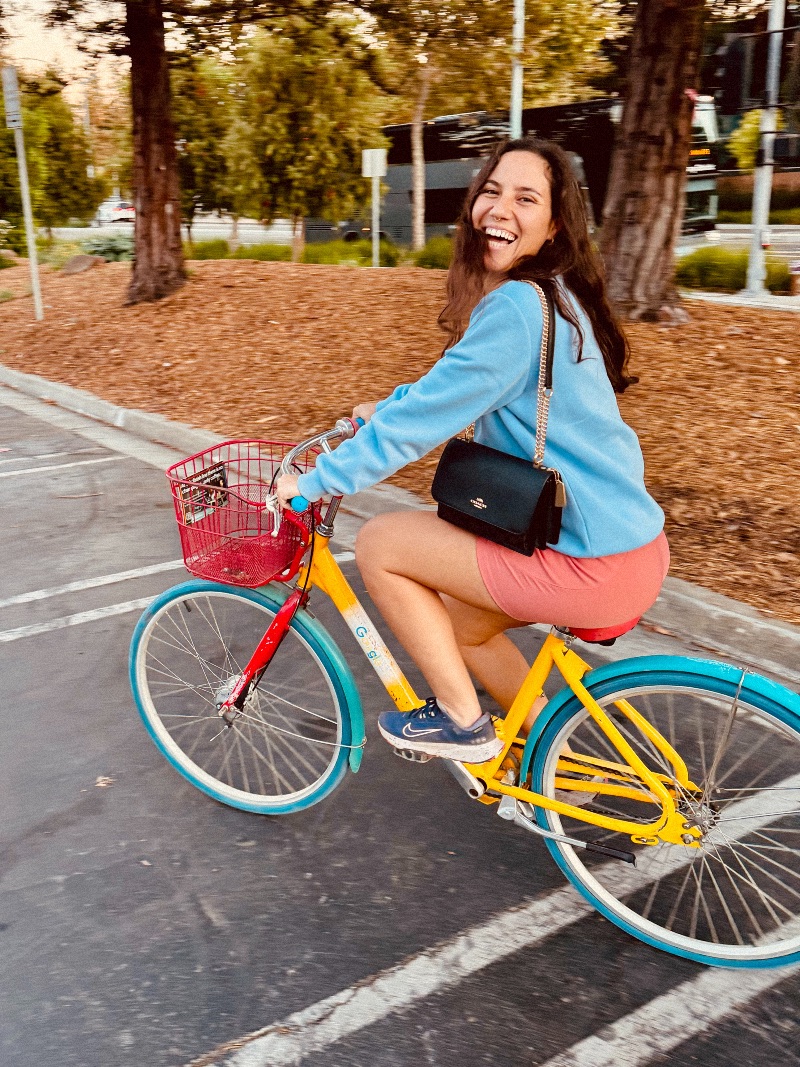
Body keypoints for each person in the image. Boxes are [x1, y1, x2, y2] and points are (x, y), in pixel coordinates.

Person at [276, 137, 669, 764]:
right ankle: (557, 765)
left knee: (381, 542)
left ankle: (463, 723)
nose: (500, 208)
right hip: (630, 550)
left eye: (525, 198)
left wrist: (317, 480)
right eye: (491, 191)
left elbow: (428, 418)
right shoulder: (557, 296)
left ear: (553, 225)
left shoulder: (517, 306)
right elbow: (455, 386)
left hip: (588, 563)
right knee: (459, 629)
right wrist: (391, 407)